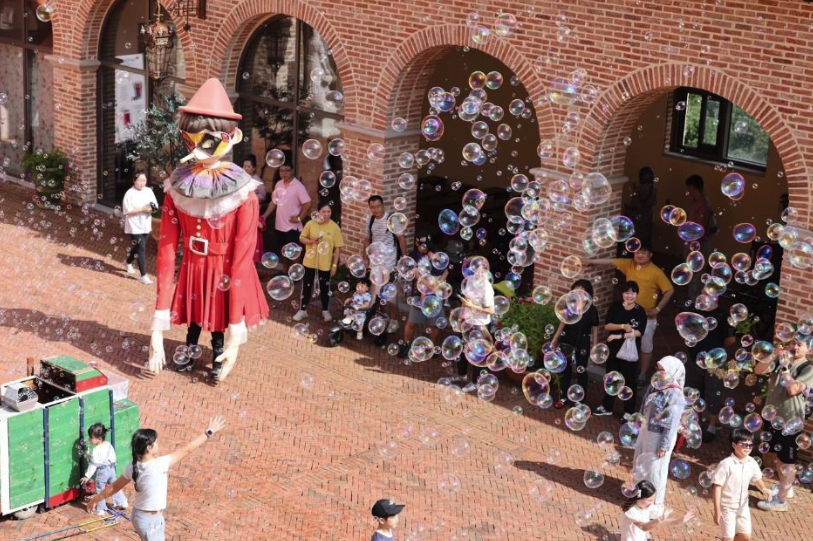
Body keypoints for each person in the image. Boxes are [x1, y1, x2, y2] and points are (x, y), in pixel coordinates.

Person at [148, 78, 269, 382]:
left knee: (216, 322)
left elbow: (242, 256)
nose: (199, 146)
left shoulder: (244, 193)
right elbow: (165, 251)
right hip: (192, 265)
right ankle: (190, 350)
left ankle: (218, 355)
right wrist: (157, 323)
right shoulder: (176, 187)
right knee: (194, 319)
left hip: (223, 268)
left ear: (232, 137)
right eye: (192, 139)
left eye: (208, 139)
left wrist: (236, 332)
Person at [87, 416, 226, 541]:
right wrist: (208, 433)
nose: (159, 444)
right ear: (149, 447)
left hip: (142, 517)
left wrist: (95, 499)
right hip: (150, 520)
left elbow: (114, 487)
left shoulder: (133, 466)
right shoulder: (160, 464)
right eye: (156, 442)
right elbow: (187, 450)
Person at [590, 242, 674, 386]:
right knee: (626, 343)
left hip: (647, 317)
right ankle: (626, 370)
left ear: (650, 255)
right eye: (637, 252)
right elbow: (610, 261)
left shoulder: (656, 272)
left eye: (643, 252)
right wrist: (589, 261)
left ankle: (641, 374)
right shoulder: (628, 264)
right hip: (628, 316)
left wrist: (658, 309)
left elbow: (669, 290)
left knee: (645, 347)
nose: (640, 255)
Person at [753, 334, 813, 512]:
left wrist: (785, 367)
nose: (794, 346)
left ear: (807, 349)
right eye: (793, 342)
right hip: (773, 416)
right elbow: (758, 370)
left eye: (799, 344)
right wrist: (773, 356)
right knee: (778, 458)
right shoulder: (780, 360)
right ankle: (786, 487)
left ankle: (780, 501)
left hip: (790, 421)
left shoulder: (807, 368)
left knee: (786, 461)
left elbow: (793, 389)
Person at [631, 356, 686, 517]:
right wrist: (639, 421)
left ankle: (654, 502)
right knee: (641, 461)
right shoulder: (655, 385)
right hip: (646, 429)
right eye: (658, 369)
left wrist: (664, 445)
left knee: (656, 468)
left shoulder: (676, 394)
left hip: (659, 435)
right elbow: (643, 405)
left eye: (663, 370)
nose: (659, 373)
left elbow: (672, 423)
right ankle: (640, 494)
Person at [595, 281, 647, 417]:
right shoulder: (616, 307)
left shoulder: (640, 311)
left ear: (637, 294)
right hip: (614, 350)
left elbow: (639, 332)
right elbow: (607, 326)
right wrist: (623, 326)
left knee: (630, 380)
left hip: (629, 351)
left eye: (633, 293)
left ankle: (629, 412)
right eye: (627, 292)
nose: (630, 296)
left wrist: (620, 336)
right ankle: (607, 407)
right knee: (611, 377)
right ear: (622, 294)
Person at [686, 302, 736, 442]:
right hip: (695, 359)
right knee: (694, 392)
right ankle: (695, 423)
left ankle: (711, 427)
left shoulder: (723, 315)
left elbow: (730, 340)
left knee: (714, 393)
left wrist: (717, 355)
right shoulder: (695, 311)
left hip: (715, 363)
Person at [712, 429, 773, 541]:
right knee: (728, 538)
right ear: (734, 445)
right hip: (727, 507)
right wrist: (717, 511)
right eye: (744, 444)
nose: (748, 447)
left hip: (743, 505)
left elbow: (757, 479)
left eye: (750, 445)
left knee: (745, 536)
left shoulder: (752, 462)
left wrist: (764, 489)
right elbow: (717, 486)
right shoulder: (726, 464)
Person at [551, 279, 599, 409]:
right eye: (576, 289)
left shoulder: (592, 310)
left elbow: (595, 329)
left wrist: (594, 346)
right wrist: (555, 339)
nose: (579, 293)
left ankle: (580, 401)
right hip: (567, 340)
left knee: (581, 370)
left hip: (582, 342)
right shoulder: (569, 305)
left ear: (588, 293)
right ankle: (563, 397)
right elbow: (563, 322)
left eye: (582, 290)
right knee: (565, 369)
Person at [398, 238, 448, 359]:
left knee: (435, 324)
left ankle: (431, 346)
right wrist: (430, 285)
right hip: (420, 293)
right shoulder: (420, 260)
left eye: (433, 253)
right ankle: (406, 344)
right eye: (430, 253)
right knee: (411, 322)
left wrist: (439, 282)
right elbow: (417, 274)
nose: (431, 255)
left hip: (435, 296)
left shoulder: (439, 263)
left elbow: (446, 271)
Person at [293, 202, 343, 322]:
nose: (326, 214)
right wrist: (311, 241)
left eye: (328, 212)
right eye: (324, 211)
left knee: (324, 288)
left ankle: (325, 310)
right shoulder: (311, 224)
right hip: (309, 261)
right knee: (307, 286)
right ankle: (302, 310)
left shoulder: (334, 227)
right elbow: (301, 238)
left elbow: (338, 248)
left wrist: (334, 265)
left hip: (325, 264)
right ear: (319, 212)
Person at [260, 160, 311, 272]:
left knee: (294, 252)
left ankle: (295, 273)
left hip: (292, 227)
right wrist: (264, 216)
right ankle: (284, 272)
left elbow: (307, 203)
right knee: (283, 250)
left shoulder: (298, 186)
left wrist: (299, 218)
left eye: (287, 170)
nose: (284, 173)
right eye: (281, 170)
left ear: (292, 171)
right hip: (280, 225)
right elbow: (274, 202)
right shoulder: (278, 184)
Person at [364, 195, 406, 328]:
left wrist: (404, 258)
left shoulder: (391, 219)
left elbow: (401, 238)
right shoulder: (370, 220)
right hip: (375, 262)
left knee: (389, 293)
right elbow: (366, 238)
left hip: (389, 262)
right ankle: (381, 317)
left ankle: (394, 321)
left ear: (382, 205)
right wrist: (365, 257)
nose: (375, 210)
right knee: (376, 293)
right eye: (372, 207)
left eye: (378, 206)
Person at [620, 480, 696, 541]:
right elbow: (644, 527)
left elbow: (660, 522)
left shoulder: (648, 507)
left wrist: (678, 521)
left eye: (653, 500)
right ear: (639, 497)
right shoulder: (631, 511)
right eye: (649, 500)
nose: (651, 503)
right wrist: (660, 519)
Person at [80, 423, 128, 515]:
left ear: (99, 439)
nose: (90, 439)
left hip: (102, 472)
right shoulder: (108, 444)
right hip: (111, 469)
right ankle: (122, 502)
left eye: (91, 437)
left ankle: (101, 509)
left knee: (100, 489)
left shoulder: (95, 450)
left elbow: (93, 465)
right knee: (115, 486)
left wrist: (87, 476)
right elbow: (112, 457)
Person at [123, 173, 159, 285]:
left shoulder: (148, 191)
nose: (142, 183)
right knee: (141, 249)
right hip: (134, 225)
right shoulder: (129, 193)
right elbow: (127, 210)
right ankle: (143, 276)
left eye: (144, 180)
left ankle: (127, 262)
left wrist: (151, 209)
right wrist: (142, 209)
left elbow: (155, 206)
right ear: (134, 181)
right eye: (139, 180)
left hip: (145, 225)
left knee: (138, 247)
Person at [685, 174, 714, 300]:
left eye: (688, 188)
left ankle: (694, 300)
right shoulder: (698, 201)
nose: (688, 191)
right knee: (693, 271)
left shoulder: (703, 204)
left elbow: (700, 227)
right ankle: (692, 298)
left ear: (693, 187)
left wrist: (694, 242)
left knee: (696, 273)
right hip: (693, 241)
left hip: (699, 242)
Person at [243, 155, 267, 265]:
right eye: (244, 166)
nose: (246, 168)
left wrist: (251, 198)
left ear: (254, 168)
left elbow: (263, 196)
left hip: (253, 213)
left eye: (248, 166)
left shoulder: (258, 181)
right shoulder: (241, 179)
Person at [625, 166, 656, 246]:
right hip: (647, 214)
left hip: (639, 214)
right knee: (645, 236)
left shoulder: (642, 188)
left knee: (636, 235)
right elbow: (653, 202)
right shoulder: (654, 187)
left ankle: (635, 251)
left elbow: (637, 202)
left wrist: (628, 207)